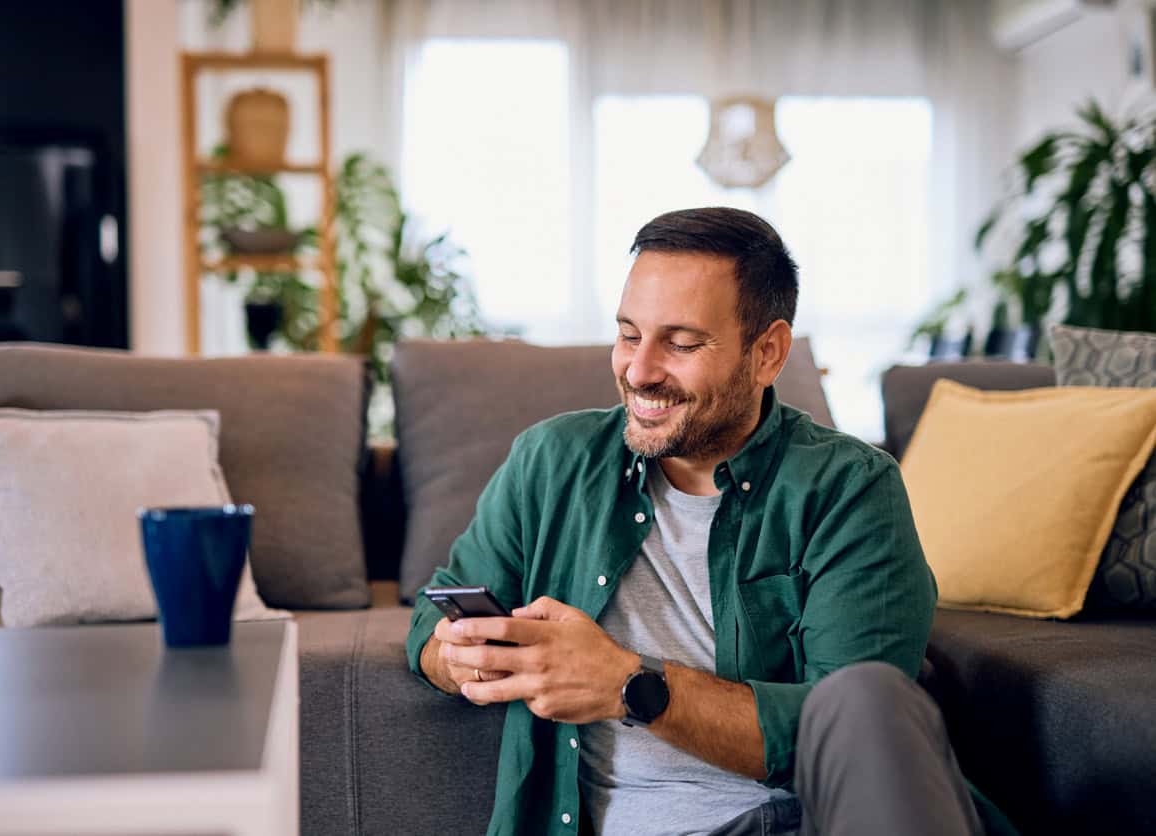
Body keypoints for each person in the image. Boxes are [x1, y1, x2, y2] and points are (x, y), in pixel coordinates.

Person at [406, 207, 1009, 836]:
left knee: (870, 699)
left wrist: (629, 685)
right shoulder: (551, 460)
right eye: (629, 335)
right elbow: (433, 615)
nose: (640, 371)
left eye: (682, 344)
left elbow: (861, 740)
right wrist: (460, 659)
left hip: (787, 823)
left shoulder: (849, 488)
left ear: (768, 353)